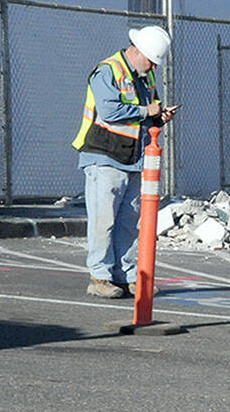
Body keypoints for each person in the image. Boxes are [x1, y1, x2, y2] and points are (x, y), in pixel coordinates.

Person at [72, 26, 177, 298]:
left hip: (132, 159)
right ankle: (100, 277)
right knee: (103, 221)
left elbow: (145, 114)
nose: (154, 65)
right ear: (138, 51)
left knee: (128, 223)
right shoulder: (108, 71)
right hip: (104, 157)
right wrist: (146, 110)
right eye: (152, 60)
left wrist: (158, 117)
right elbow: (109, 110)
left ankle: (127, 275)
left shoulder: (146, 76)